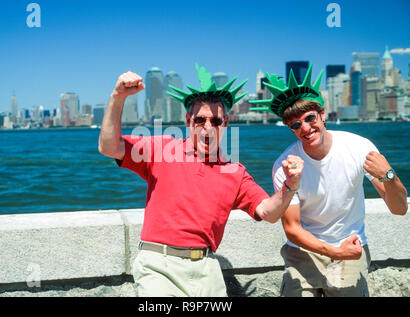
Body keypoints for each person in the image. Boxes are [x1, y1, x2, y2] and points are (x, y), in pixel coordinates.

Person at [99, 64, 304, 297]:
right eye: (200, 120)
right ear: (189, 121)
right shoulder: (161, 148)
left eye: (215, 122)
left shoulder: (235, 172)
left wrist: (290, 186)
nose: (208, 128)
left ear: (225, 124)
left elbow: (270, 212)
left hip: (207, 269)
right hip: (159, 266)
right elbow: (109, 147)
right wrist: (118, 96)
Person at [250, 64, 408, 297]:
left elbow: (399, 209)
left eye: (310, 118)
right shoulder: (285, 166)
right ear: (290, 129)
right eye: (295, 125)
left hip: (351, 245)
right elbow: (292, 230)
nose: (305, 128)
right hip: (302, 251)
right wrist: (334, 251)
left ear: (323, 115)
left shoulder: (359, 147)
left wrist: (389, 175)